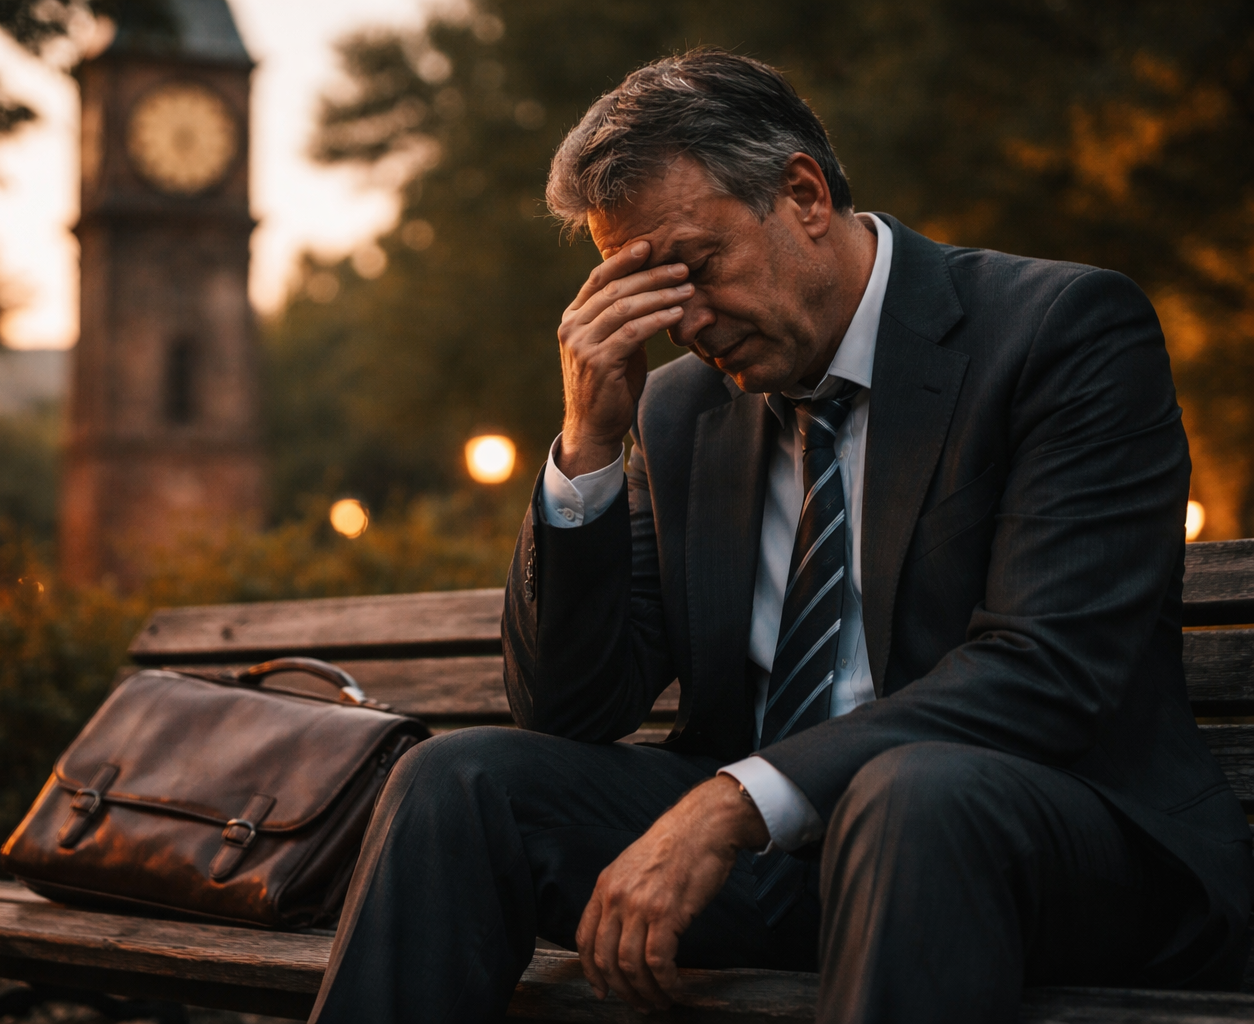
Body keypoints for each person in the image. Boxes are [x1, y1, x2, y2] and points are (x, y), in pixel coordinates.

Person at [308, 48, 1252, 1024]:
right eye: (648, 292)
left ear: (802, 193)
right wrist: (589, 443)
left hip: (1049, 846)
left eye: (697, 268)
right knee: (459, 780)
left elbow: (1048, 668)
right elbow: (569, 708)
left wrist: (734, 802)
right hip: (783, 865)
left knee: (911, 796)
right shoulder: (678, 413)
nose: (686, 323)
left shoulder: (1061, 331)